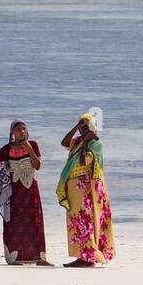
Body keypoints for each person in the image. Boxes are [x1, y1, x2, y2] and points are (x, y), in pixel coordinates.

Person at [56, 114, 115, 268]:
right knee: (76, 219)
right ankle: (81, 255)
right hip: (75, 187)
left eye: (86, 126)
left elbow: (84, 161)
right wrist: (76, 127)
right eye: (82, 127)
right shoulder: (76, 141)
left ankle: (88, 257)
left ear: (93, 127)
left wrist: (85, 142)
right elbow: (63, 142)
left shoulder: (96, 144)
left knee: (87, 219)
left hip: (89, 188)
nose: (83, 130)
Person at [0, 120, 52, 266]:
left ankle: (38, 257)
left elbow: (37, 166)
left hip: (30, 189)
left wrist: (29, 149)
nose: (22, 132)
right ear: (12, 133)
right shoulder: (7, 149)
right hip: (14, 192)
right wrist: (5, 171)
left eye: (24, 129)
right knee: (14, 221)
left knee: (34, 222)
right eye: (18, 130)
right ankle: (15, 257)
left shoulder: (33, 144)